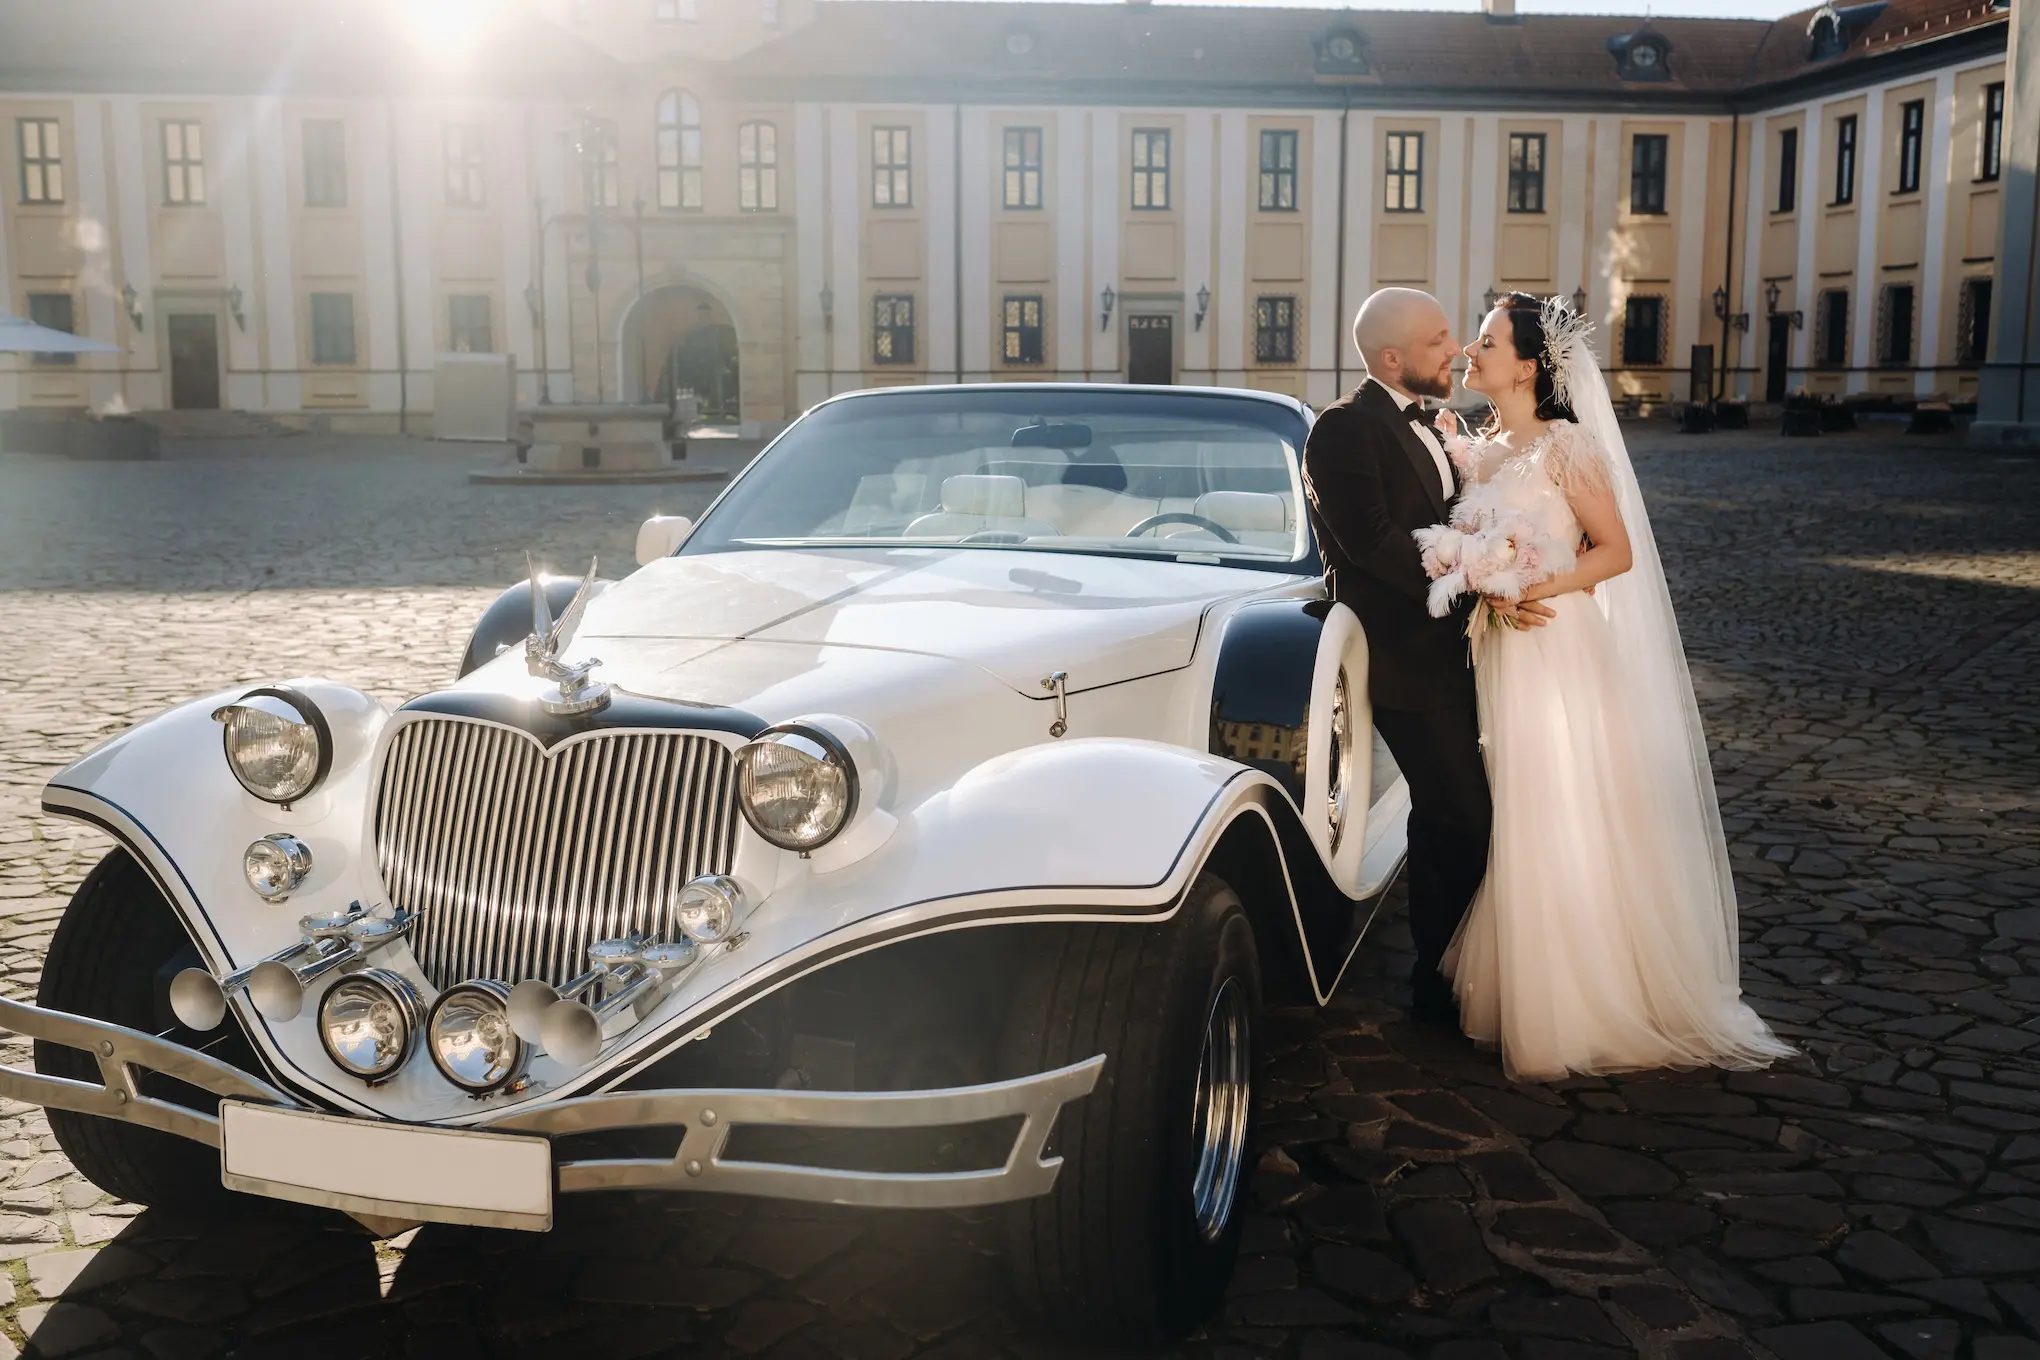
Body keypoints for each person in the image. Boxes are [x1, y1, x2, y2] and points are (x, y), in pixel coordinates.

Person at [1437, 293, 1792, 1081]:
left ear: (1528, 365)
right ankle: (1531, 985)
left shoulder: (1568, 447)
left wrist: (1534, 584)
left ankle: (1579, 1002)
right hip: (1502, 652)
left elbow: (1618, 550)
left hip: (1556, 647)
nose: (1471, 349)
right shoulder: (1486, 450)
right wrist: (1480, 578)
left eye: (1487, 340)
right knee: (1515, 809)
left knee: (1558, 810)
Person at [1300, 289, 1542, 1027]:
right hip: (1403, 658)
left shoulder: (1443, 423)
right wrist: (1474, 587)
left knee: (1450, 815)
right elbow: (1371, 543)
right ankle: (1439, 984)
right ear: (1394, 358)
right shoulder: (1343, 431)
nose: (1458, 351)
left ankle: (1451, 973)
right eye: (1442, 340)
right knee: (1461, 815)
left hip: (1457, 653)